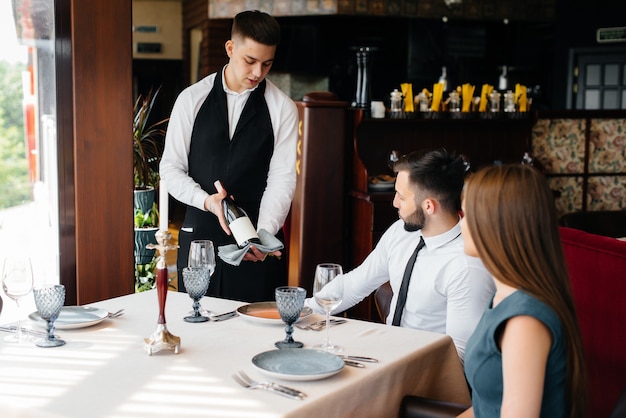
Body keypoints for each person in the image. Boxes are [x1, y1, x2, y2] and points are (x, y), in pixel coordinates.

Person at [159, 10, 298, 302]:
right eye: (250, 61)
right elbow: (170, 169)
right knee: (198, 332)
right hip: (199, 239)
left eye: (267, 63)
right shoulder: (190, 100)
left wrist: (263, 234)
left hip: (256, 246)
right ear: (230, 48)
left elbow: (282, 179)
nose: (258, 72)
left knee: (253, 338)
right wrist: (206, 201)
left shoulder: (282, 108)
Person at [305, 149, 495, 362]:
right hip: (387, 353)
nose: (395, 203)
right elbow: (355, 283)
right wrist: (303, 311)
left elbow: (460, 355)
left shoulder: (466, 266)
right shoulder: (401, 231)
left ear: (429, 206)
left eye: (401, 196)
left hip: (427, 371)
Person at [459, 164, 588, 418]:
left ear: (494, 224)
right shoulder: (503, 297)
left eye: (465, 215)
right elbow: (485, 407)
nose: (460, 224)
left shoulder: (524, 321)